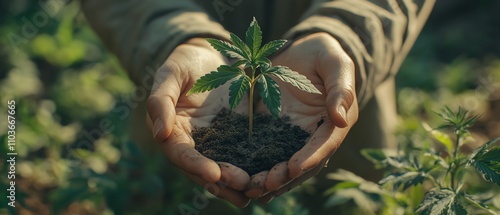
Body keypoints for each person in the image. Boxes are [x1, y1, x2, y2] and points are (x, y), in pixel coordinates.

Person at [81, 0, 435, 212]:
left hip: (334, 115)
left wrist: (344, 34)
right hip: (186, 111)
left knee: (343, 203)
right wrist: (175, 36)